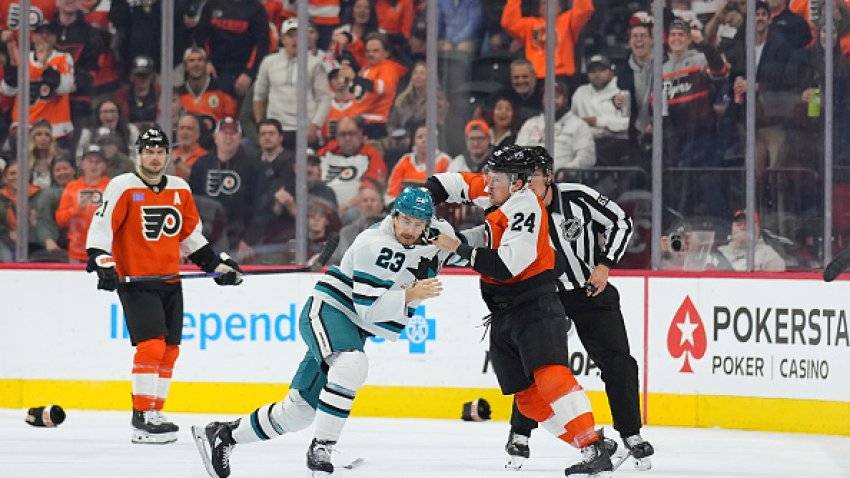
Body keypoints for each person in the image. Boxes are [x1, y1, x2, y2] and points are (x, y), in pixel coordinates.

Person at [192, 187, 454, 477]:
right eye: (406, 221)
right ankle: (322, 447)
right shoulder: (374, 243)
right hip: (329, 311)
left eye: (419, 224)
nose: (411, 229)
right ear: (394, 217)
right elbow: (368, 310)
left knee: (298, 412)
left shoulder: (431, 237)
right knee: (353, 363)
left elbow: (472, 244)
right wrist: (409, 295)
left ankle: (224, 435)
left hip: (349, 328)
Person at [426, 145, 613, 476]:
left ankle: (592, 447)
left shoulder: (526, 208)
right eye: (489, 175)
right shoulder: (498, 189)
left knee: (551, 376)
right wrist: (417, 203)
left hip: (535, 306)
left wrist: (454, 247)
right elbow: (448, 182)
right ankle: (592, 443)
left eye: (495, 178)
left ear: (518, 183)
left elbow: (505, 267)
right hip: (502, 313)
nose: (487, 183)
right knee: (527, 399)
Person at [85, 127, 243, 444]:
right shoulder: (123, 186)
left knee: (169, 350)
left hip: (170, 281)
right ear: (138, 154)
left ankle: (155, 413)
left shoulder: (180, 189)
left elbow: (188, 237)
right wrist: (103, 261)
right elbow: (102, 227)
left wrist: (216, 265)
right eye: (149, 151)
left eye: (160, 151)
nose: (155, 157)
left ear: (167, 155)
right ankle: (141, 416)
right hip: (137, 281)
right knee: (152, 345)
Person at [509, 146, 653, 470]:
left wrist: (604, 265)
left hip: (591, 291)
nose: (523, 184)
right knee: (539, 367)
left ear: (547, 176)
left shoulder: (577, 197)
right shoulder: (515, 210)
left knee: (619, 361)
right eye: (518, 178)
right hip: (546, 298)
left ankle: (631, 434)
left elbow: (620, 221)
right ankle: (519, 434)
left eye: (530, 177)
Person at [253, 18, 331, 149]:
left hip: (305, 129)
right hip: (276, 129)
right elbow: (259, 96)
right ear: (283, 39)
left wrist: (314, 126)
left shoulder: (315, 63)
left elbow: (324, 98)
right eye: (290, 36)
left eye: (299, 35)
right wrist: (262, 125)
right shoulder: (269, 62)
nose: (295, 40)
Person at [516, 82, 596, 171]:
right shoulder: (530, 123)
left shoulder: (579, 125)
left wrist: (566, 171)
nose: (551, 101)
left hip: (563, 180)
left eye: (556, 96)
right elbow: (518, 153)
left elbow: (587, 158)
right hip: (530, 178)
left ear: (565, 99)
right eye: (547, 97)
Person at [55, 145, 110, 263]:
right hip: (76, 252)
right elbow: (60, 219)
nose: (94, 165)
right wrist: (77, 209)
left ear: (104, 166)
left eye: (98, 162)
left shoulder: (111, 187)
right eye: (90, 161)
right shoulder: (72, 187)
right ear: (82, 164)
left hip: (104, 250)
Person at [716, 210, 786, 271]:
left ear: (758, 229)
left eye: (748, 224)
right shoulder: (719, 252)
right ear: (732, 229)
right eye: (739, 224)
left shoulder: (769, 255)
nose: (743, 227)